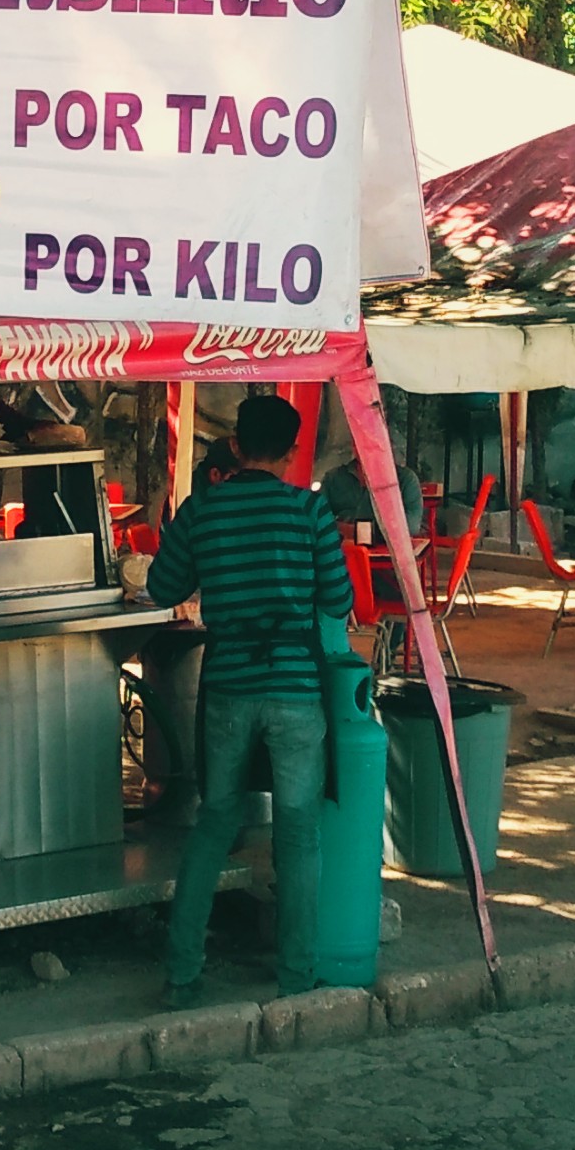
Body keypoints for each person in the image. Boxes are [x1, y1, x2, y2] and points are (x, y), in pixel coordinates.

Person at [142, 392, 355, 1006]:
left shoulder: (203, 510)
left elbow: (162, 587)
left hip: (229, 683)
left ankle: (182, 973)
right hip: (294, 688)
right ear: (292, 453)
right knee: (298, 832)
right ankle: (295, 974)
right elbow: (338, 601)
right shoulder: (308, 512)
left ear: (235, 444)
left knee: (214, 824)